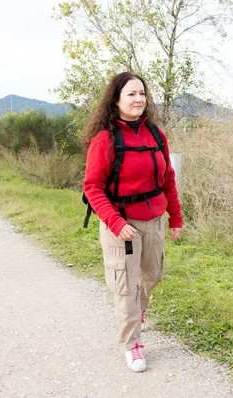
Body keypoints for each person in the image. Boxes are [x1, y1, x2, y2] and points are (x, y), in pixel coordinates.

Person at [83, 72, 183, 372]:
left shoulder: (156, 134)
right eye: (131, 94)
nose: (138, 99)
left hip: (153, 220)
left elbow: (168, 179)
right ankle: (132, 344)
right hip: (122, 225)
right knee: (126, 286)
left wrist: (175, 216)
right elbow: (93, 187)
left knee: (152, 274)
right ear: (116, 100)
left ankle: (137, 313)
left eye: (142, 93)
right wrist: (115, 222)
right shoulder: (105, 140)